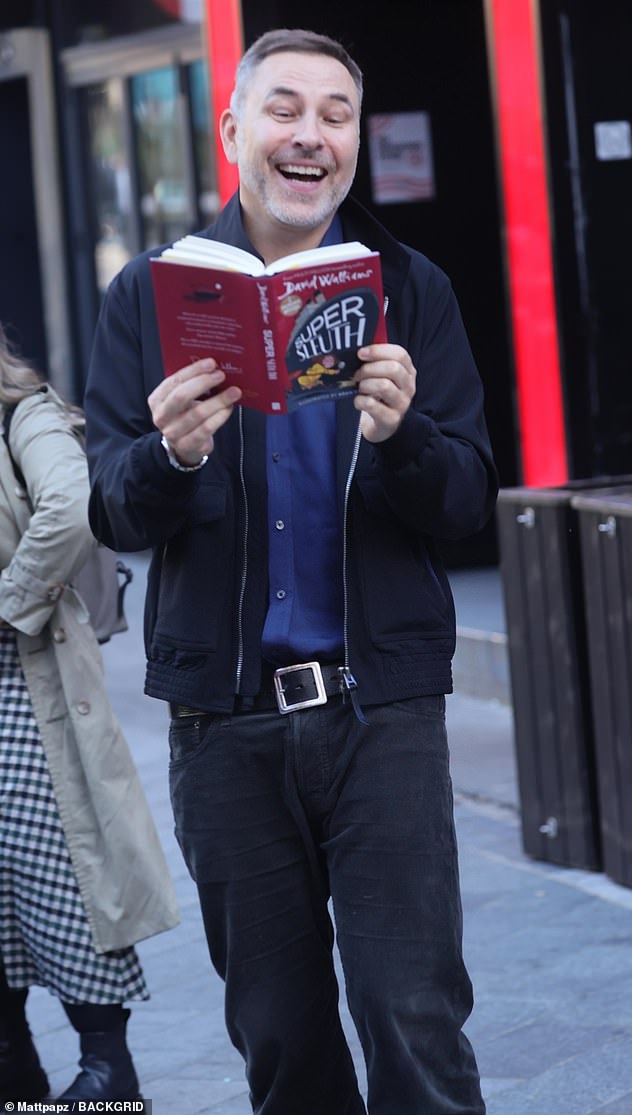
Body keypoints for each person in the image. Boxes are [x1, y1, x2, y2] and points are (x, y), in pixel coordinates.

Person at [84, 27, 498, 1115]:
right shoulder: (149, 297)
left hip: (382, 715)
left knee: (413, 1014)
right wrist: (165, 454)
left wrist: (405, 435)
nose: (308, 133)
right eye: (283, 109)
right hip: (223, 728)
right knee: (279, 1036)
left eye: (334, 113)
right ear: (232, 131)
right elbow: (109, 508)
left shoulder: (413, 288)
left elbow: (463, 500)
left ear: (354, 139)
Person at [0, 324, 180, 1104]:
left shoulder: (24, 414)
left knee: (59, 881)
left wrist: (9, 607)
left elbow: (72, 507)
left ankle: (108, 1073)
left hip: (24, 691)